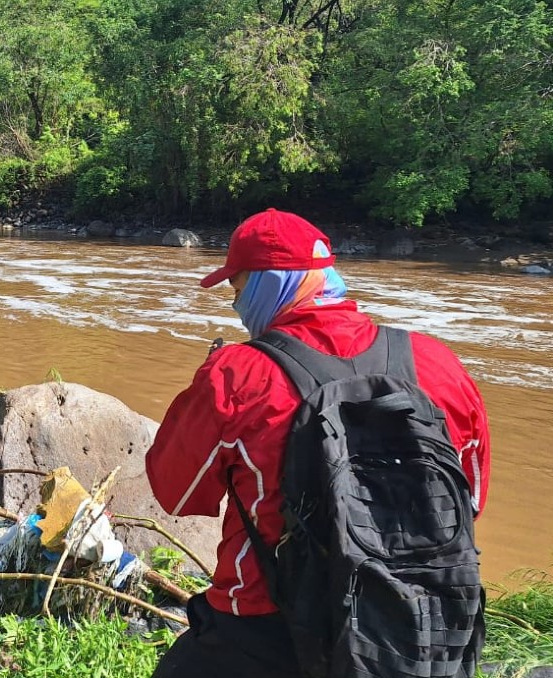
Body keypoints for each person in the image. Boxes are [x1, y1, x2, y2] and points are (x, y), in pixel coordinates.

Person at [146, 209, 490, 677]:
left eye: (238, 288)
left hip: (265, 623)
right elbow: (470, 500)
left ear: (270, 283)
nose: (236, 304)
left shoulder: (236, 374)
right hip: (418, 624)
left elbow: (177, 493)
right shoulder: (437, 362)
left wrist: (204, 387)